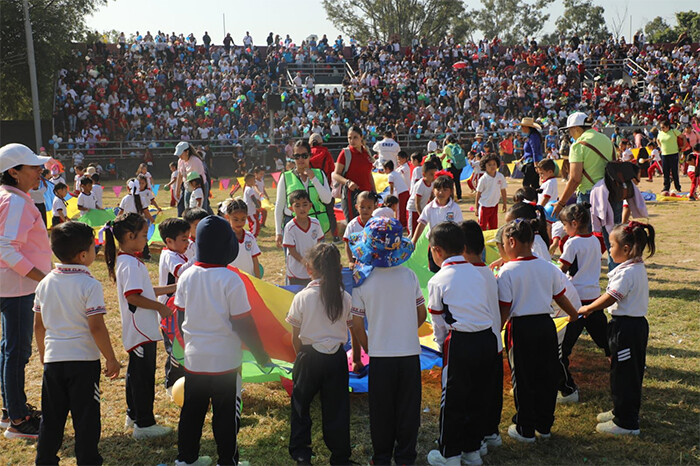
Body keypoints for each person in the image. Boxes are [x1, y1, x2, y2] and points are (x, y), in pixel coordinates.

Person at [174, 215, 270, 466]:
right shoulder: (231, 280)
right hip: (225, 362)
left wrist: (186, 346)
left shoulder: (186, 275)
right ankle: (227, 461)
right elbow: (243, 323)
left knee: (191, 411)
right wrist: (261, 356)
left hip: (195, 359)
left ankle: (186, 459)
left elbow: (180, 315)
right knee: (226, 414)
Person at [33, 221, 119, 464]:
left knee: (51, 417)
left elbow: (39, 325)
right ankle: (88, 460)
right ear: (84, 255)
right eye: (94, 248)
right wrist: (111, 358)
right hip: (83, 363)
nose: (96, 251)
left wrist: (43, 353)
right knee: (87, 418)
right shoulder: (89, 284)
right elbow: (96, 326)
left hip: (54, 361)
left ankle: (45, 460)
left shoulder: (45, 283)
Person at [349, 217, 426, 465]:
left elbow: (357, 323)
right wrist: (404, 329)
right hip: (410, 354)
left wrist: (369, 346)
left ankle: (381, 457)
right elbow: (421, 314)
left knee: (381, 412)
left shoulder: (362, 282)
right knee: (408, 410)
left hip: (380, 357)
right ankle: (405, 457)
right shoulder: (409, 276)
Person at [497, 219, 578, 443]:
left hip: (520, 329)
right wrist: (573, 314)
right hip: (546, 327)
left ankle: (525, 428)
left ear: (511, 242)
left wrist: (495, 331)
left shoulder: (507, 271)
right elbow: (559, 295)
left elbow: (504, 308)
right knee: (546, 376)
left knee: (523, 379)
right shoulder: (546, 266)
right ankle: (544, 426)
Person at [425, 222, 498, 466]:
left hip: (461, 343)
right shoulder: (477, 273)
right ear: (463, 246)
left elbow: (438, 322)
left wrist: (440, 346)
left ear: (436, 251)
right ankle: (472, 450)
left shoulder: (438, 280)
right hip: (487, 339)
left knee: (454, 400)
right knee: (478, 396)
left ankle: (450, 454)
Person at [578, 221, 655, 436]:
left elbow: (611, 297)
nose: (609, 250)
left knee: (625, 375)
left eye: (611, 245)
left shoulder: (627, 273)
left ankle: (626, 423)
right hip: (628, 327)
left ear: (626, 249)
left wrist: (589, 308)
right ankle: (619, 410)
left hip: (627, 329)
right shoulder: (633, 267)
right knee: (620, 371)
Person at [104, 213, 175, 439]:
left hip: (140, 331)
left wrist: (171, 287)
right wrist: (160, 308)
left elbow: (143, 290)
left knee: (136, 375)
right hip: (141, 330)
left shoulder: (128, 260)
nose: (146, 240)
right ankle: (144, 424)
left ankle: (133, 415)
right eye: (144, 235)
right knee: (142, 378)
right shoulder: (130, 263)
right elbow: (133, 297)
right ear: (129, 235)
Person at [286, 243, 356, 465]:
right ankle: (340, 456)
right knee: (337, 409)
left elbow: (295, 337)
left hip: (308, 357)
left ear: (309, 268)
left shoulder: (303, 297)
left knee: (301, 406)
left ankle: (301, 453)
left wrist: (301, 358)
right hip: (336, 359)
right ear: (338, 268)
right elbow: (350, 327)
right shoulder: (345, 297)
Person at [0, 144, 51, 439]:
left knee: (10, 349)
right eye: (33, 167)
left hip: (14, 285)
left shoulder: (11, 198)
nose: (39, 171)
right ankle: (18, 420)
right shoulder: (16, 202)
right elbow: (7, 247)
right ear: (14, 173)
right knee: (16, 351)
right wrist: (42, 278)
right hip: (17, 287)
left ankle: (12, 410)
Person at [553, 112, 620, 270]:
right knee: (614, 237)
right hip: (612, 191)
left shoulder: (578, 145)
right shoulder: (606, 140)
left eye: (570, 130)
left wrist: (562, 203)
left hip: (589, 196)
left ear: (576, 128)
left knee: (582, 238)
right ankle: (617, 276)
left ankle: (582, 273)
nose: (569, 134)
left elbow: (575, 178)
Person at [557, 203, 608, 403]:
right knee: (606, 341)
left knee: (563, 348)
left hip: (575, 303)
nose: (563, 228)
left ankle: (567, 389)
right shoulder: (596, 241)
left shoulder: (572, 243)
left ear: (574, 223)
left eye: (564, 224)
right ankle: (622, 365)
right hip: (594, 300)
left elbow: (562, 269)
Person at [460, 220, 504, 451]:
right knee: (492, 392)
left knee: (473, 395)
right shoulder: (489, 273)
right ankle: (491, 432)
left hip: (476, 345)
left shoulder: (466, 274)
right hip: (494, 344)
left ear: (463, 248)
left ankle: (475, 440)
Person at [157, 218, 191, 393]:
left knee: (183, 345)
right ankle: (171, 384)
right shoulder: (169, 255)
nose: (188, 242)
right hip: (169, 312)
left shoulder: (179, 251)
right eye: (184, 239)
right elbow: (181, 272)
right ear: (169, 241)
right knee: (174, 349)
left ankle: (183, 381)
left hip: (180, 309)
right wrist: (199, 258)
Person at [275, 140, 332, 248]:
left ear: (310, 156)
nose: (300, 159)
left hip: (316, 226)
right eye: (297, 156)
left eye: (304, 155)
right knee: (294, 262)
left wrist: (313, 179)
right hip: (293, 226)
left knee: (318, 261)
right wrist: (278, 232)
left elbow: (327, 199)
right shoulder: (285, 177)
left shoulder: (319, 174)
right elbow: (279, 205)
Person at [412, 173, 463, 272]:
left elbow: (459, 227)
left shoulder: (455, 208)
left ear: (451, 191)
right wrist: (414, 241)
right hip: (434, 246)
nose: (441, 192)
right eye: (438, 189)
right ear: (433, 190)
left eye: (445, 189)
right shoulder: (429, 207)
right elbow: (422, 224)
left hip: (450, 246)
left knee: (450, 270)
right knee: (434, 270)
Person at [332, 126, 376, 221]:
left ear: (361, 137)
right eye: (349, 138)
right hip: (351, 195)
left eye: (355, 137)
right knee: (353, 224)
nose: (352, 140)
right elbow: (335, 174)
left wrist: (374, 192)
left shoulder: (366, 152)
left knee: (367, 224)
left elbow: (369, 174)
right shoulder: (345, 153)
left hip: (366, 195)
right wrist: (347, 182)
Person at [283, 190, 325, 287]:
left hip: (314, 269)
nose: (302, 208)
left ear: (310, 206)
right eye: (297, 206)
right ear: (291, 208)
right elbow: (292, 250)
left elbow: (319, 243)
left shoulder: (315, 223)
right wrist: (305, 262)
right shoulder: (290, 227)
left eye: (304, 204)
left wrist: (315, 262)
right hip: (296, 271)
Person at [223, 199, 262, 278]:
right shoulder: (224, 237)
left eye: (243, 219)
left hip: (248, 280)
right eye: (235, 219)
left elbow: (255, 260)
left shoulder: (250, 237)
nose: (239, 223)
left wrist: (258, 280)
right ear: (227, 217)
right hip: (230, 280)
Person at [343, 191, 378, 265]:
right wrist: (350, 261)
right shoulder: (352, 225)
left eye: (369, 207)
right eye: (362, 207)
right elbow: (347, 243)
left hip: (374, 258)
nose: (365, 210)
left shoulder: (377, 224)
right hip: (357, 260)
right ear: (356, 207)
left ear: (374, 207)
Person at [174, 142, 210, 216]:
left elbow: (200, 178)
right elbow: (180, 175)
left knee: (201, 209)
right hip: (188, 187)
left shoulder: (195, 161)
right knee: (188, 209)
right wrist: (177, 190)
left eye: (181, 153)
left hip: (199, 186)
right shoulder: (180, 161)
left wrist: (198, 192)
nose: (179, 156)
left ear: (187, 152)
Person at [475, 154, 508, 231]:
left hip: (494, 205)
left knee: (493, 227)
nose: (492, 166)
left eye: (494, 164)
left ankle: (492, 242)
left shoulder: (500, 176)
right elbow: (478, 193)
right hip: (484, 206)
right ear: (484, 166)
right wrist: (476, 208)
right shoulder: (483, 179)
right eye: (489, 165)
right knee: (482, 226)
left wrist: (504, 204)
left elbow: (503, 190)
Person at [406, 159, 438, 236]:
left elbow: (431, 198)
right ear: (424, 174)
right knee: (413, 233)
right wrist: (422, 216)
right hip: (413, 210)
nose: (433, 176)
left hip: (422, 209)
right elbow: (417, 203)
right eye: (431, 174)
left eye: (434, 174)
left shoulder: (432, 183)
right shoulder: (420, 185)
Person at [656, 120, 682, 194]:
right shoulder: (660, 133)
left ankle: (677, 187)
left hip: (674, 153)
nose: (662, 129)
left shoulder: (674, 131)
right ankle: (666, 187)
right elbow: (658, 140)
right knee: (665, 171)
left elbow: (683, 137)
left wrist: (682, 146)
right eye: (661, 127)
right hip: (664, 154)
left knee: (674, 171)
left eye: (663, 127)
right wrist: (660, 147)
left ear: (668, 127)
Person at [519, 117, 544, 189]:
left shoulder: (533, 136)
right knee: (534, 184)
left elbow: (535, 150)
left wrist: (535, 164)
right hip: (531, 161)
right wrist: (524, 157)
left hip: (532, 163)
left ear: (527, 127)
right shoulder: (531, 136)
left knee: (526, 184)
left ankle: (529, 198)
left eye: (522, 126)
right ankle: (535, 199)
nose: (521, 128)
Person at [440, 134, 467, 200]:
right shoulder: (457, 145)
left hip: (451, 166)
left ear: (448, 140)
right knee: (457, 181)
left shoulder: (447, 147)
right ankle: (459, 197)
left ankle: (450, 197)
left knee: (449, 182)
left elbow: (442, 157)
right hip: (459, 166)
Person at [383, 160, 409, 229]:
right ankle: (404, 223)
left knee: (399, 209)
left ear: (387, 169)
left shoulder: (390, 175)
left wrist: (390, 196)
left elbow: (391, 187)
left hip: (401, 193)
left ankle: (400, 224)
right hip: (405, 190)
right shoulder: (396, 173)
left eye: (384, 169)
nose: (384, 171)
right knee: (404, 209)